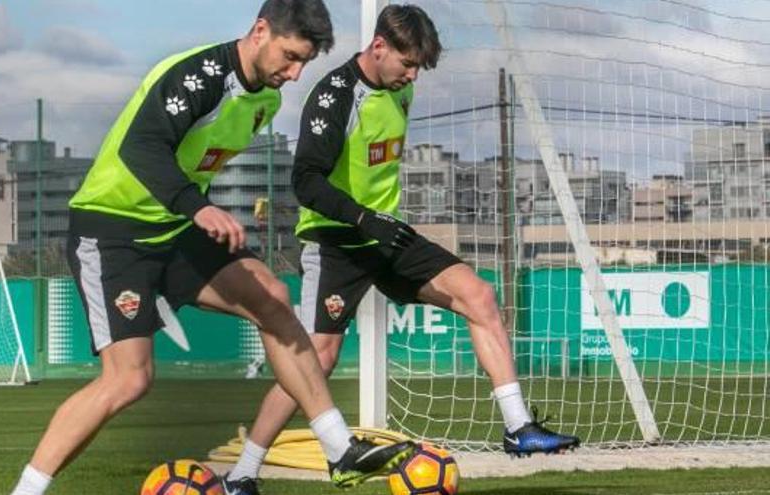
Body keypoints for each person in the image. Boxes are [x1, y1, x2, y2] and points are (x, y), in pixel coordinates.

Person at [10, 2, 416, 494]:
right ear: (260, 30)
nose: (294, 74)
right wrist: (198, 208)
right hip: (114, 231)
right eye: (289, 57)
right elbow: (141, 148)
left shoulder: (264, 99)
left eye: (304, 63)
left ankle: (339, 451)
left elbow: (195, 163)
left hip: (176, 227)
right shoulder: (198, 76)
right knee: (128, 381)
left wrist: (195, 210)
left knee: (272, 298)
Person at [223, 4, 581, 493]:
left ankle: (519, 429)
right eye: (407, 64)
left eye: (417, 68)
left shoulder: (401, 88)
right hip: (336, 243)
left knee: (478, 295)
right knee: (316, 360)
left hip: (388, 237)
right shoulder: (333, 97)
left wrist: (379, 222)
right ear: (378, 47)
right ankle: (242, 475)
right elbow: (306, 182)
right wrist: (364, 218)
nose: (411, 76)